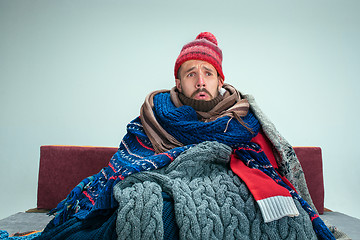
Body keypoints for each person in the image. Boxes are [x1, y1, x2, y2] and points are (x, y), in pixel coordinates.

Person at [34, 32, 335, 240]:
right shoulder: (153, 118)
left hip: (230, 192)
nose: (200, 81)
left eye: (208, 73)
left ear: (220, 81)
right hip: (166, 188)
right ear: (178, 82)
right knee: (147, 208)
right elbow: (125, 167)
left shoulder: (244, 123)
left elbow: (265, 170)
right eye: (191, 73)